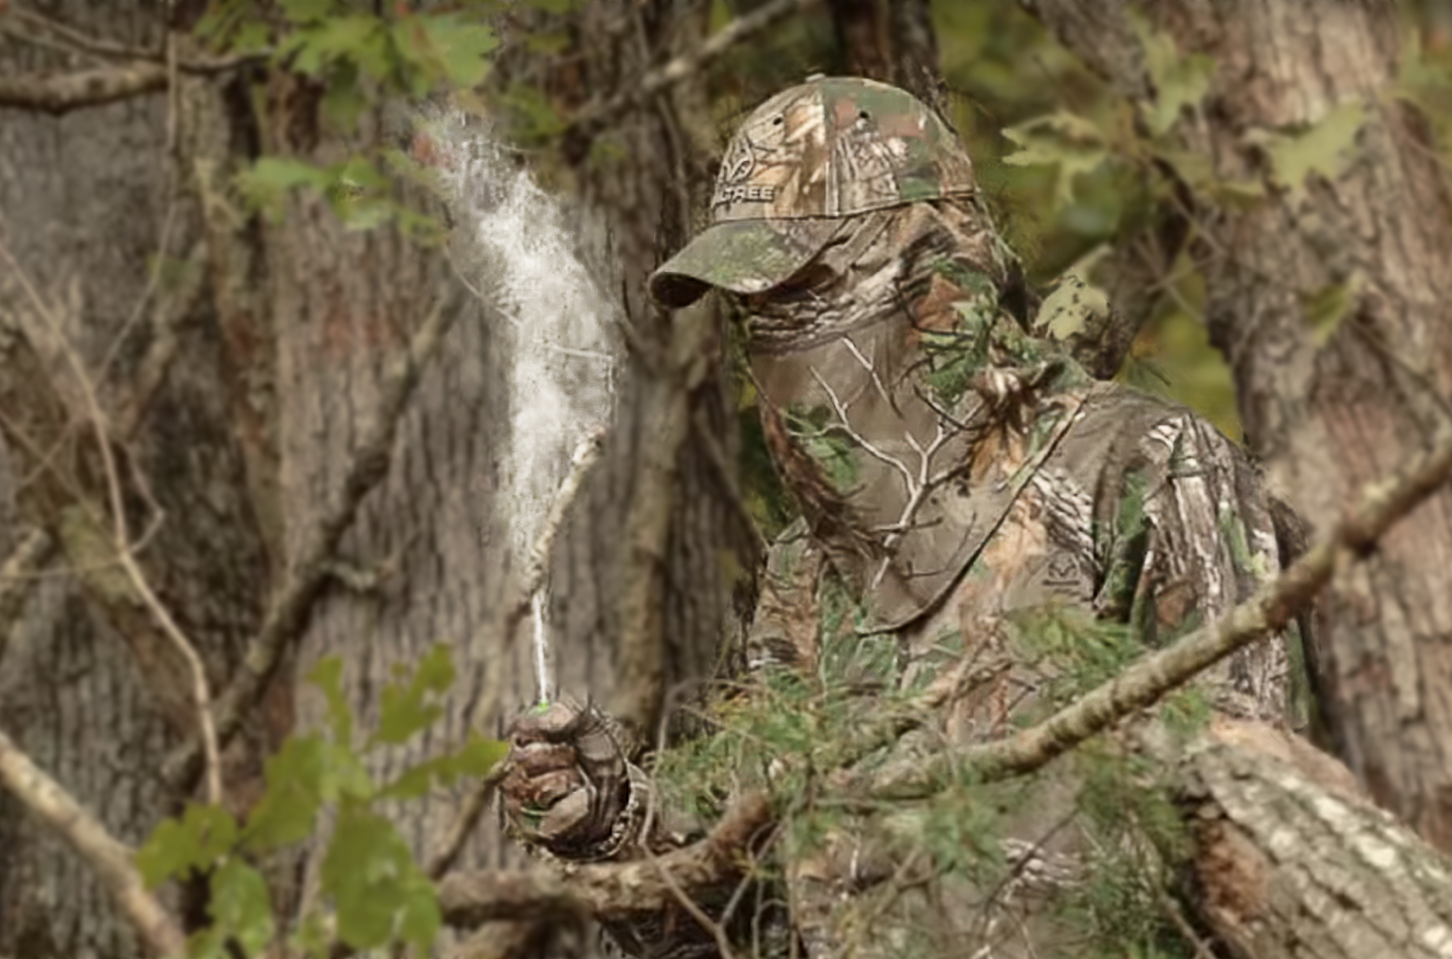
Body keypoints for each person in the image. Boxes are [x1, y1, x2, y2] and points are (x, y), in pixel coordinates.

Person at [498, 74, 1302, 959]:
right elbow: (749, 918)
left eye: (803, 291)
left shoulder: (1144, 471)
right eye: (754, 310)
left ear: (931, 273)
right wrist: (616, 825)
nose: (776, 335)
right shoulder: (809, 572)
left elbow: (1249, 856)